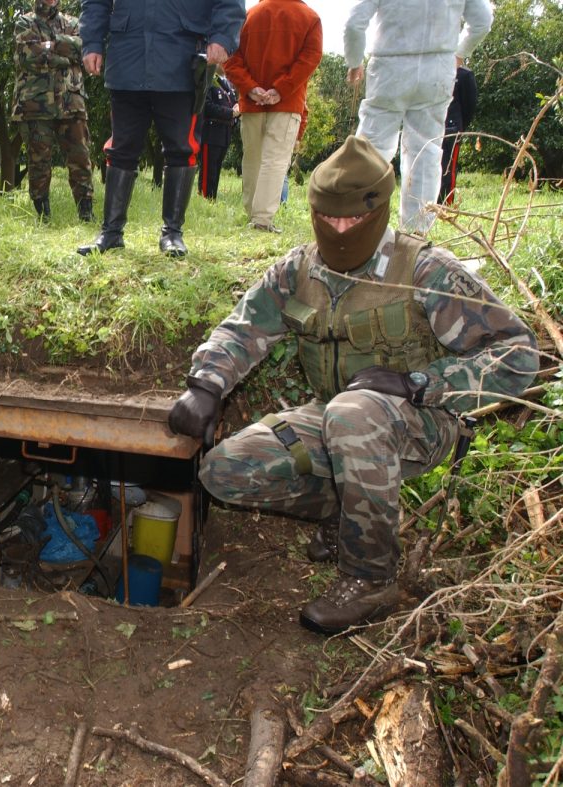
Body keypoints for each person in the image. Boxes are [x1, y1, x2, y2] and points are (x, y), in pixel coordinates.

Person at [168, 136, 538, 634]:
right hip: (335, 417)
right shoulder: (301, 270)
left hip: (421, 423)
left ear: (381, 210)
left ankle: (370, 576)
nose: (340, 230)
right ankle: (354, 513)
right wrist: (207, 384)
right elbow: (244, 327)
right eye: (329, 219)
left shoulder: (424, 271)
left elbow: (518, 353)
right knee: (225, 470)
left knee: (352, 414)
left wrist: (422, 382)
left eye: (355, 220)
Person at [77, 0, 246, 258]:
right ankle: (111, 233)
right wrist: (91, 42)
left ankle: (172, 233)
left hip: (181, 58)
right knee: (121, 148)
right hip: (128, 57)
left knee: (181, 148)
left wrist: (222, 37)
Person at [345, 0, 493, 235]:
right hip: (438, 66)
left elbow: (354, 23)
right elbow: (483, 21)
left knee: (372, 147)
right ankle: (416, 232)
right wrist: (461, 52)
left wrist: (354, 61)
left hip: (390, 66)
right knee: (426, 150)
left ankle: (358, 222)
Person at [223, 0, 321, 234]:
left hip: (252, 101)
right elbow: (310, 58)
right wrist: (281, 89)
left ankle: (252, 213)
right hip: (287, 102)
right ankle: (262, 219)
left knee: (253, 158)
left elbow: (231, 58)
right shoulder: (310, 17)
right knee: (275, 160)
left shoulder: (249, 15)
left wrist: (251, 88)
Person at [13, 0, 95, 222]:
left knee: (81, 157)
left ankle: (86, 213)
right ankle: (43, 216)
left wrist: (51, 43)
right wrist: (64, 52)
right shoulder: (24, 22)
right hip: (36, 103)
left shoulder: (73, 22)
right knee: (39, 161)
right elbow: (28, 56)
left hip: (71, 100)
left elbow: (83, 50)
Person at [439, 65, 479, 205]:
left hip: (451, 128)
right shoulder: (433, 67)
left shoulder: (464, 74)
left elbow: (470, 105)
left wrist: (459, 127)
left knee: (447, 169)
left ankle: (445, 206)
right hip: (430, 126)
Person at [198, 70, 238, 201]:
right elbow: (207, 106)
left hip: (224, 132)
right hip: (211, 132)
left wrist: (237, 110)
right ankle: (204, 199)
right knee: (208, 170)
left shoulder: (227, 84)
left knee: (216, 171)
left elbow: (234, 105)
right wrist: (230, 113)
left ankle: (212, 199)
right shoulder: (209, 79)